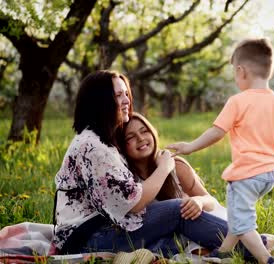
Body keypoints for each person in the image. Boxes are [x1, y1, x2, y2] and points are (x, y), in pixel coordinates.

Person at [168, 38, 274, 264]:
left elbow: (217, 132)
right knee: (237, 215)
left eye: (234, 71)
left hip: (246, 175)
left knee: (243, 223)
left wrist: (190, 146)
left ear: (241, 71)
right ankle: (224, 253)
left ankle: (267, 260)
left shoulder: (238, 101)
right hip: (269, 174)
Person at [52, 70, 232, 257]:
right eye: (118, 95)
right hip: (87, 238)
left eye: (126, 94)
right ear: (101, 101)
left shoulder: (100, 141)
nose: (126, 101)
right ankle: (254, 244)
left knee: (174, 233)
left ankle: (239, 245)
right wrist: (164, 167)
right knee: (178, 211)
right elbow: (135, 203)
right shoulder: (93, 147)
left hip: (100, 230)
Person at [120, 112, 274, 260]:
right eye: (130, 137)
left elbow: (210, 200)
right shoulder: (126, 179)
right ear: (122, 145)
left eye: (144, 131)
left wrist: (198, 201)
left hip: (202, 224)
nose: (140, 139)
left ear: (153, 133)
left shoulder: (176, 166)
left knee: (224, 243)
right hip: (171, 239)